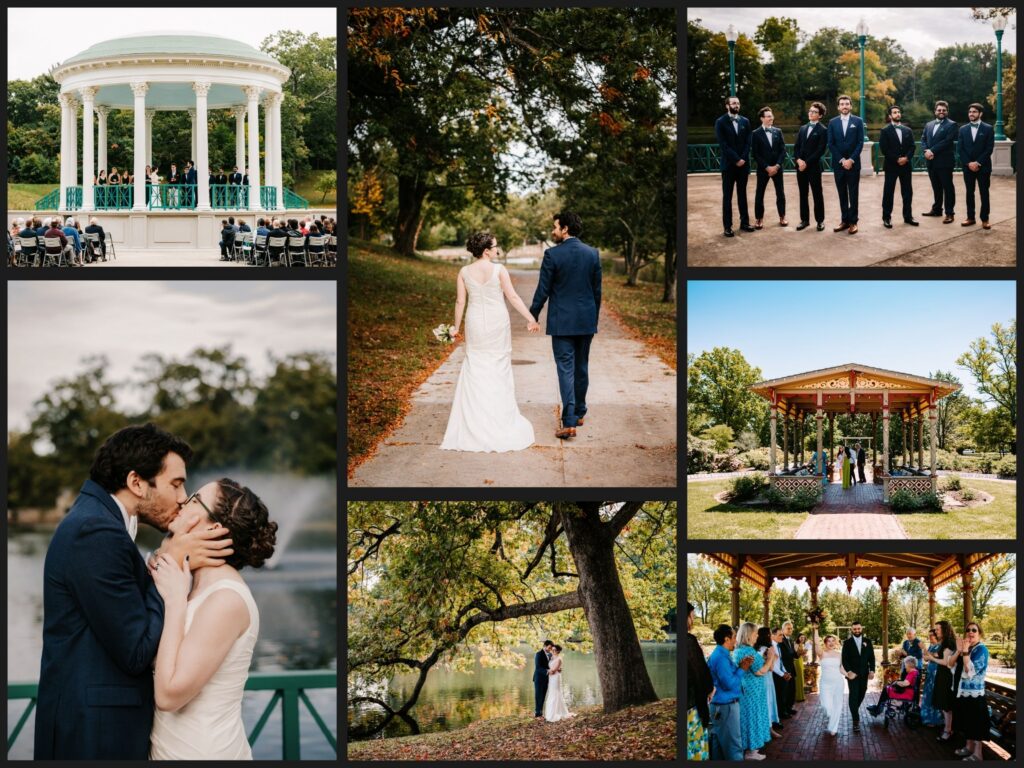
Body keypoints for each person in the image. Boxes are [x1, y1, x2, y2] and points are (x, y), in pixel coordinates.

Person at [33, 424, 233, 759]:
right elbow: (136, 651)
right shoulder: (95, 531)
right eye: (176, 483)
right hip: (94, 735)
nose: (183, 497)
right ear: (136, 482)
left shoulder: (103, 522)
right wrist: (170, 561)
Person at [149, 478, 277, 759]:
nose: (183, 500)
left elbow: (169, 695)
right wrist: (165, 554)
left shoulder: (226, 600)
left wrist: (174, 602)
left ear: (215, 529)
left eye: (195, 498)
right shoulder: (189, 583)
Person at [441, 231, 538, 451]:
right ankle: (499, 421)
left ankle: (474, 423)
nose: (497, 249)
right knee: (498, 367)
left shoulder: (464, 271)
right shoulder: (499, 270)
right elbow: (512, 297)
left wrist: (455, 328)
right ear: (486, 250)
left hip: (475, 322)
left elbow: (460, 301)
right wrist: (530, 318)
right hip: (497, 323)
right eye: (495, 246)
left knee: (476, 366)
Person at [528, 212, 602, 440]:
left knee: (566, 369)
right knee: (581, 367)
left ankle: (569, 422)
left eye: (555, 227)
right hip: (586, 321)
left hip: (562, 322)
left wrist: (533, 314)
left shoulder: (552, 254)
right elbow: (597, 291)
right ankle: (579, 412)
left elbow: (543, 289)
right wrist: (592, 318)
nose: (553, 231)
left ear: (565, 229)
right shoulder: (593, 254)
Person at [708, 624, 754, 761]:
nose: (736, 640)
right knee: (734, 746)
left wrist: (740, 666)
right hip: (726, 706)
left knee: (719, 747)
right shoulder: (720, 658)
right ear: (727, 639)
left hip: (720, 706)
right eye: (734, 637)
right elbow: (729, 684)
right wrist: (742, 669)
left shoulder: (722, 654)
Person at [714, 96, 754, 237]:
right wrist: (736, 159)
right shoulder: (720, 122)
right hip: (729, 165)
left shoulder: (745, 121)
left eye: (737, 103)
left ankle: (745, 223)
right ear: (727, 105)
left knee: (742, 195)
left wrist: (743, 158)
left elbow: (748, 142)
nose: (736, 105)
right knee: (728, 197)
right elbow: (723, 144)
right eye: (733, 103)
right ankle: (727, 227)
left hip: (743, 165)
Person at [733, 622, 772, 760]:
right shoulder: (748, 651)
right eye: (755, 633)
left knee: (747, 718)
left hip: (746, 689)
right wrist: (770, 658)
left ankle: (749, 749)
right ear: (749, 635)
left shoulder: (739, 650)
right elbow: (760, 671)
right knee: (753, 718)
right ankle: (751, 751)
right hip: (752, 691)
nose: (757, 636)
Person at [952, 621, 989, 761]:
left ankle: (978, 754)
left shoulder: (981, 649)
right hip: (964, 691)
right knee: (967, 722)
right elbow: (954, 667)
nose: (970, 632)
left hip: (975, 694)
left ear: (979, 633)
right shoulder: (968, 649)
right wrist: (960, 650)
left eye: (974, 630)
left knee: (976, 724)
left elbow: (970, 671)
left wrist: (965, 651)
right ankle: (969, 747)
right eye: (968, 630)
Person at [827, 95, 864, 234]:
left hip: (854, 164)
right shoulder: (832, 122)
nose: (844, 106)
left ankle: (853, 222)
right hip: (839, 165)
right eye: (842, 104)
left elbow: (860, 142)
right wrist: (842, 160)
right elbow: (831, 143)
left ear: (851, 106)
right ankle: (844, 221)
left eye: (847, 104)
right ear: (838, 107)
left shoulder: (858, 121)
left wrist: (851, 160)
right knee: (842, 193)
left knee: (853, 193)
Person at [879, 105, 919, 228]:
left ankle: (908, 217)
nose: (897, 114)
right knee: (888, 192)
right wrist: (897, 159)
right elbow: (884, 149)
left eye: (898, 112)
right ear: (890, 116)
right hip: (891, 166)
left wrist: (906, 158)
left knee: (907, 192)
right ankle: (886, 218)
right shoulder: (885, 131)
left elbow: (912, 147)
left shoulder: (908, 130)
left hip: (906, 166)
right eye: (894, 112)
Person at [958, 102, 995, 229]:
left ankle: (985, 219)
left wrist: (978, 162)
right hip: (968, 167)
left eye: (974, 112)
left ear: (980, 114)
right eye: (970, 112)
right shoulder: (962, 129)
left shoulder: (988, 128)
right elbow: (960, 149)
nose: (971, 114)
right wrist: (969, 163)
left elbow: (989, 148)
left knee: (984, 193)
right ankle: (970, 218)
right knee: (969, 192)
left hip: (983, 167)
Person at [793, 101, 828, 231]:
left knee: (817, 193)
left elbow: (820, 150)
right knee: (803, 193)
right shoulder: (802, 128)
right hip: (800, 167)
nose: (811, 113)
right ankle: (804, 220)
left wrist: (806, 162)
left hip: (813, 167)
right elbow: (796, 147)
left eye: (814, 112)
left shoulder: (823, 130)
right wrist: (798, 160)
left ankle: (820, 221)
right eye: (810, 111)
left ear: (820, 115)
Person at [921, 100, 957, 222]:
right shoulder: (928, 124)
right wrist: (926, 151)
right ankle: (937, 210)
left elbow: (947, 141)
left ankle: (950, 213)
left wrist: (932, 151)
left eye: (944, 110)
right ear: (935, 111)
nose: (941, 112)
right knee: (936, 187)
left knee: (948, 188)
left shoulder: (952, 125)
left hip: (945, 162)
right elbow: (923, 139)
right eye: (939, 110)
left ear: (947, 111)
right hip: (931, 162)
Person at [751, 107, 787, 228]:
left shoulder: (778, 131)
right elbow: (755, 154)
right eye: (768, 116)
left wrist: (776, 166)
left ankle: (782, 216)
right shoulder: (755, 133)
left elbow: (783, 151)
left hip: (777, 168)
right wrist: (767, 167)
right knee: (759, 194)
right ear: (762, 118)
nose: (771, 118)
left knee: (780, 193)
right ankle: (759, 219)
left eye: (771, 116)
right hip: (763, 169)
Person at [923, 620, 958, 741]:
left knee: (946, 705)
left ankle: (948, 731)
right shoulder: (943, 642)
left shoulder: (948, 642)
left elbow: (946, 662)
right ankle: (948, 728)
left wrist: (932, 658)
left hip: (947, 676)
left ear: (944, 629)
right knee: (943, 705)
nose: (936, 631)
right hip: (942, 675)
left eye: (938, 629)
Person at [686, 604, 713, 761]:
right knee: (695, 749)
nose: (693, 619)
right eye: (692, 616)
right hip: (692, 706)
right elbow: (700, 672)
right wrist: (709, 689)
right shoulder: (689, 641)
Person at [841, 620, 875, 733]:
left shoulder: (867, 641)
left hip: (864, 674)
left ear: (861, 629)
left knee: (862, 692)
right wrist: (849, 672)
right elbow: (844, 659)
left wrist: (872, 670)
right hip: (852, 675)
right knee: (853, 695)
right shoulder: (847, 643)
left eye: (858, 628)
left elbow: (872, 657)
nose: (857, 630)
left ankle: (854, 708)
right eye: (854, 629)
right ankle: (856, 721)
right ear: (851, 630)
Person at [816, 633, 848, 736]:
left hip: (838, 682)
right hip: (825, 683)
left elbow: (841, 668)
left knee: (837, 705)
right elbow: (816, 643)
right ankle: (831, 717)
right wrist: (816, 629)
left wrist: (848, 674)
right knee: (826, 706)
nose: (831, 643)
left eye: (833, 641)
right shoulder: (822, 654)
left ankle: (834, 727)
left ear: (835, 642)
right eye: (828, 641)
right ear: (825, 643)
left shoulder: (839, 654)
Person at [754, 627, 782, 737]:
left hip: (760, 677)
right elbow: (770, 668)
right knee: (768, 702)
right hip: (766, 678)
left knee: (765, 703)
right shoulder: (768, 649)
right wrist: (773, 658)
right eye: (770, 634)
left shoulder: (756, 648)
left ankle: (766, 729)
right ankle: (769, 729)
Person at [920, 628, 946, 727]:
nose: (930, 637)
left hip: (937, 672)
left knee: (934, 695)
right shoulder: (931, 646)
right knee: (928, 695)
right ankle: (927, 718)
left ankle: (936, 720)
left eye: (931, 635)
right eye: (929, 635)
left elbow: (935, 656)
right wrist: (926, 653)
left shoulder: (940, 646)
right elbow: (926, 658)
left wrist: (924, 650)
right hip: (930, 672)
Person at [542, 644, 572, 722]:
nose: (553, 651)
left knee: (555, 693)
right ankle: (551, 713)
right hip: (551, 678)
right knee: (551, 693)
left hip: (555, 678)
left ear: (558, 651)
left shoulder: (559, 659)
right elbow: (550, 668)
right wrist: (549, 670)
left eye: (555, 650)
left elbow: (553, 671)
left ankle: (553, 714)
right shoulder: (551, 657)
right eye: (552, 649)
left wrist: (547, 671)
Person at [780, 621, 798, 715]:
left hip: (791, 668)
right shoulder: (781, 640)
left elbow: (794, 654)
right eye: (788, 628)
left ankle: (789, 707)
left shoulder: (790, 640)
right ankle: (783, 711)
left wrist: (799, 653)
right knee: (784, 691)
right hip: (784, 669)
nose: (790, 630)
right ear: (783, 629)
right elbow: (783, 655)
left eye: (791, 628)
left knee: (792, 689)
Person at [533, 639, 554, 718]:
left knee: (543, 695)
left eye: (551, 648)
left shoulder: (550, 655)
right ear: (545, 646)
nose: (550, 649)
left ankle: (541, 712)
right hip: (538, 678)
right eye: (549, 647)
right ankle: (537, 713)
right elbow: (538, 667)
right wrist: (547, 671)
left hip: (546, 679)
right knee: (538, 695)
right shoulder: (538, 654)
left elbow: (551, 665)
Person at [794, 633, 808, 703]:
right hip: (796, 661)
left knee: (801, 678)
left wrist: (804, 654)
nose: (802, 639)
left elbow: (802, 655)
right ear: (798, 637)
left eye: (804, 637)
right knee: (798, 678)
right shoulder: (796, 644)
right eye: (801, 637)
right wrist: (802, 652)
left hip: (800, 660)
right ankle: (798, 697)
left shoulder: (802, 645)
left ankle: (801, 696)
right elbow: (795, 654)